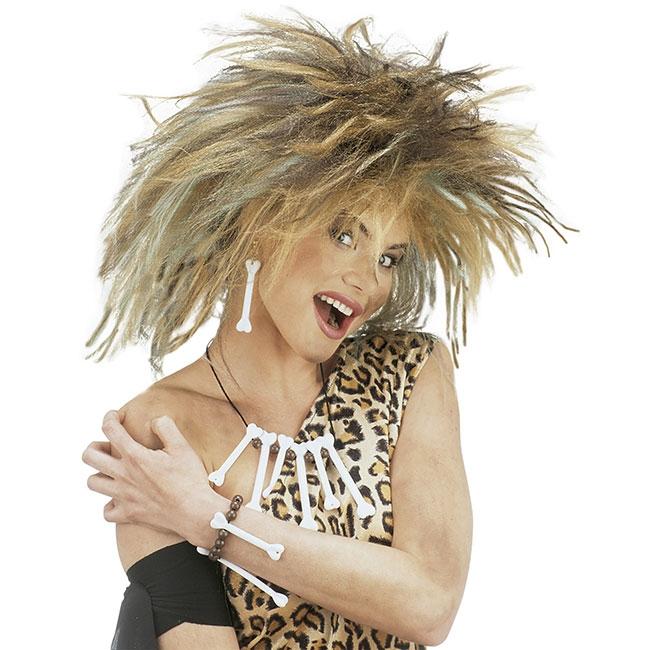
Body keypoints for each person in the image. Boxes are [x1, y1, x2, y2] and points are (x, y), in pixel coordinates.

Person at [81, 9, 578, 649]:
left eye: (389, 258)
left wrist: (212, 519)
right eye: (345, 234)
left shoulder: (409, 373)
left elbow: (429, 603)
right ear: (259, 218)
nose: (369, 280)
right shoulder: (158, 430)